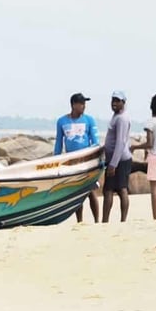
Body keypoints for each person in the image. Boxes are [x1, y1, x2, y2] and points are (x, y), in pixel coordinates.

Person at [54, 92, 100, 223]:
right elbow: (58, 143)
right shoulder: (62, 121)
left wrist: (96, 159)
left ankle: (97, 220)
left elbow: (95, 141)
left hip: (87, 161)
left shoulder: (89, 120)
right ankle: (80, 221)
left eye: (84, 104)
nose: (83, 106)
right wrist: (56, 161)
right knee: (77, 192)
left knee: (91, 191)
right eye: (81, 104)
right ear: (73, 105)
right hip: (71, 162)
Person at [130, 93, 156, 220]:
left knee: (154, 189)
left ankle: (155, 217)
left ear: (151, 106)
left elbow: (150, 143)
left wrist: (134, 147)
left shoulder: (150, 122)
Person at [101, 91, 133, 223]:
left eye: (117, 100)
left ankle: (119, 220)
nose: (114, 103)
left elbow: (120, 142)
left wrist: (113, 164)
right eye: (113, 100)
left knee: (118, 189)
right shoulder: (116, 116)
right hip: (113, 158)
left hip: (120, 159)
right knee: (110, 189)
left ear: (123, 102)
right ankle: (106, 220)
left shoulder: (122, 118)